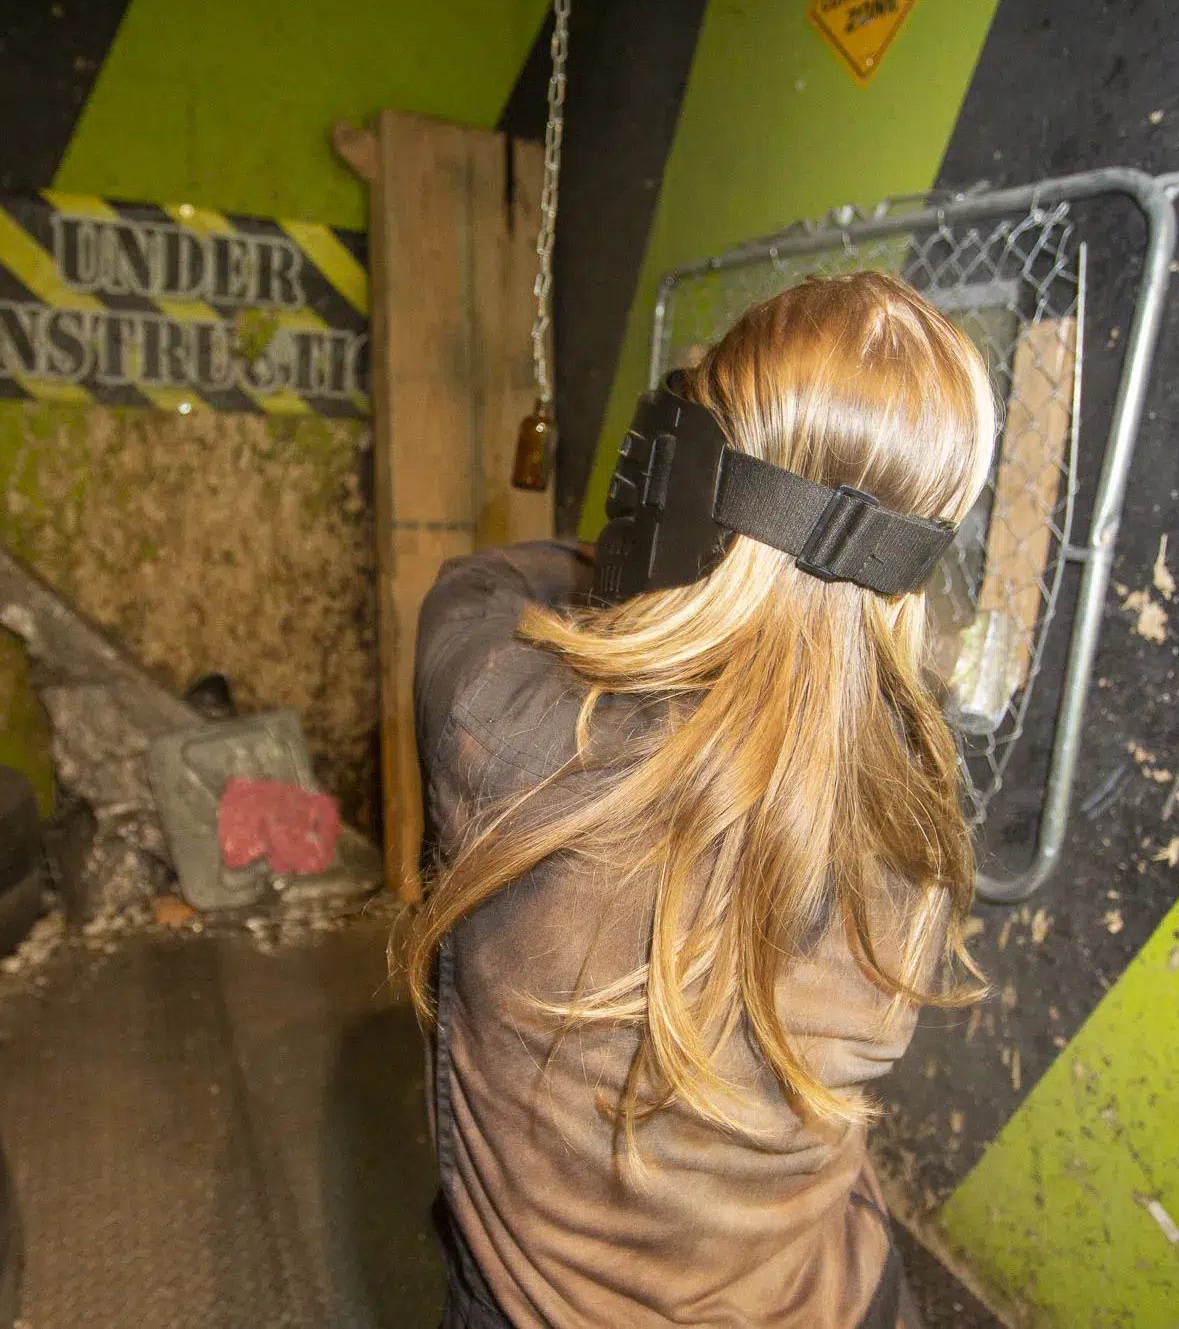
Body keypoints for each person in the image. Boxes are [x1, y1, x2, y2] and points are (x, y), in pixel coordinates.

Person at [397, 270, 998, 1328]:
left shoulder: (511, 728)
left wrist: (638, 564)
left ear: (680, 478)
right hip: (832, 1296)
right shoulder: (917, 804)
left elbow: (474, 588)